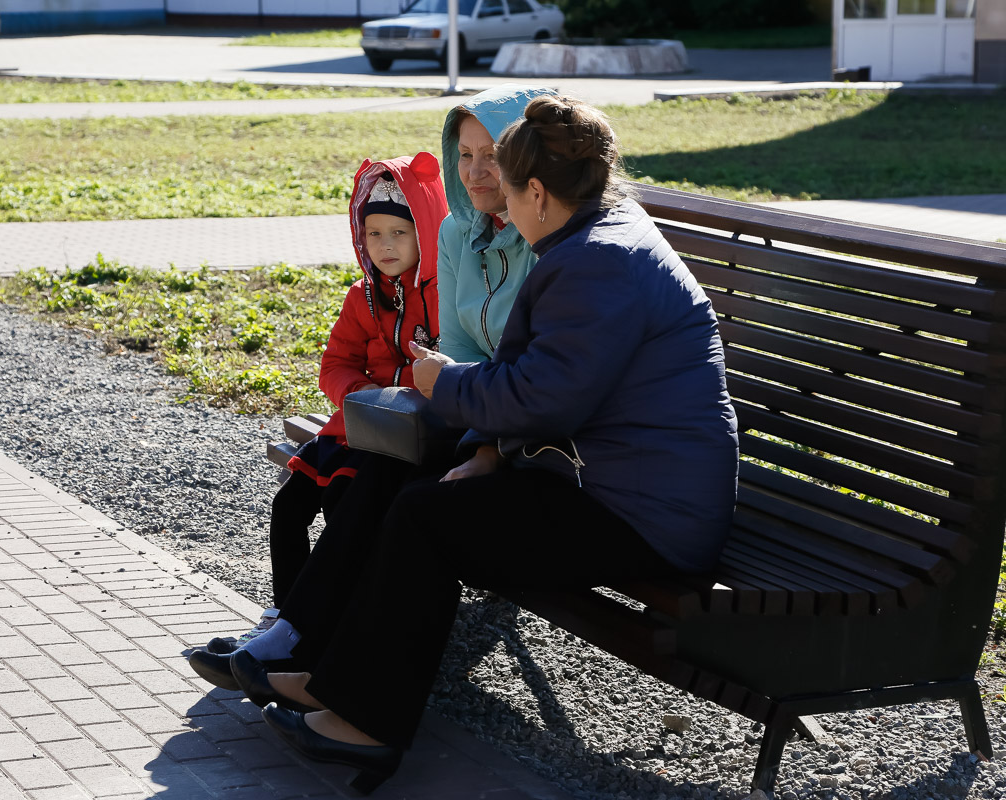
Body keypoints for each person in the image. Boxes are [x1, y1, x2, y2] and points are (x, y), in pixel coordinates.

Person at [229, 94, 740, 793]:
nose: (492, 192)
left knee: (427, 519)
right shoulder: (599, 237)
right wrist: (480, 430)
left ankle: (368, 725)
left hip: (642, 516)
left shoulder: (599, 261)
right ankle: (335, 683)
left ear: (535, 190)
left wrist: (443, 380)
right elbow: (542, 390)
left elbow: (541, 396)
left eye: (504, 181)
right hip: (608, 483)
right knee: (421, 497)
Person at [189, 85, 555, 669]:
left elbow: (521, 368)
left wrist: (457, 415)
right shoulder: (447, 245)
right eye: (464, 154)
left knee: (381, 492)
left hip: (493, 433)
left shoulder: (536, 245)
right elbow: (429, 355)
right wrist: (373, 398)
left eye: (494, 153)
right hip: (420, 419)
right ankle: (295, 634)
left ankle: (329, 650)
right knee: (330, 495)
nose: (476, 170)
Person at [186, 152, 448, 688]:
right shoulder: (363, 296)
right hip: (352, 428)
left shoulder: (439, 300)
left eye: (400, 232)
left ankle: (315, 628)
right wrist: (359, 395)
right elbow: (335, 362)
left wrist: (400, 394)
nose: (386, 246)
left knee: (343, 504)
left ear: (425, 233)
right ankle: (285, 616)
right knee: (289, 505)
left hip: (395, 443)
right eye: (374, 233)